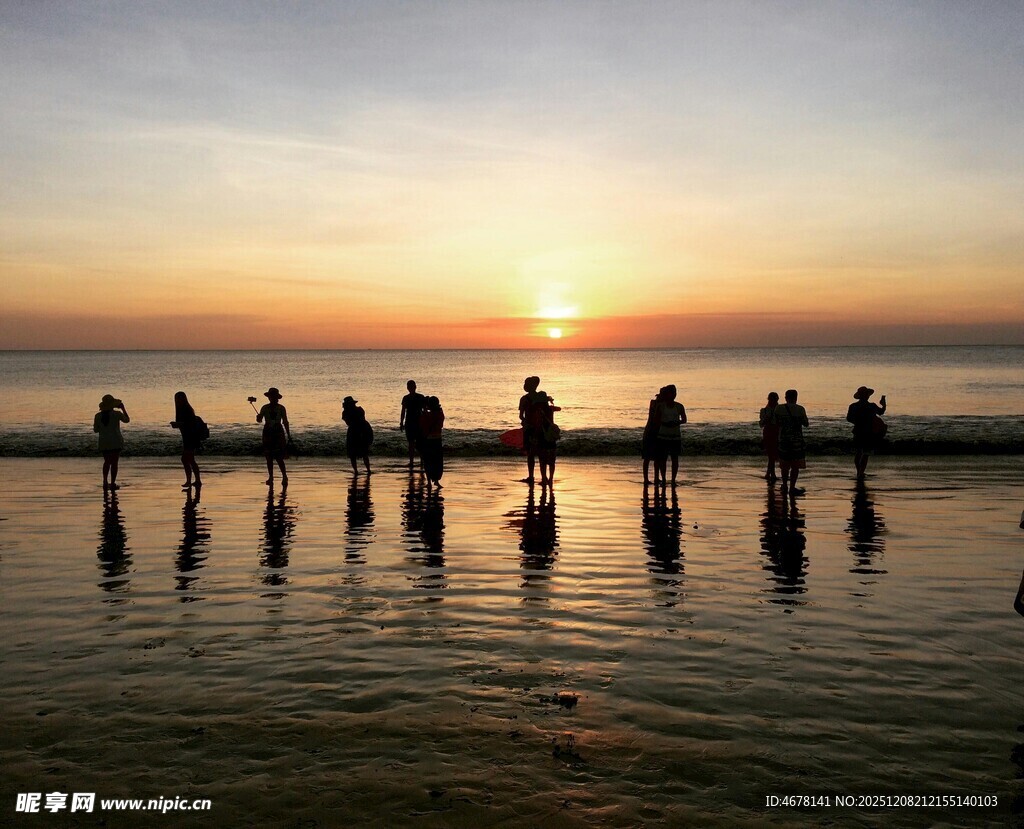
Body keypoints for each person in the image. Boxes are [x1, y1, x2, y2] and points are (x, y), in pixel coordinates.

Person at [771, 389, 809, 495]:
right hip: (797, 441)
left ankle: (785, 485)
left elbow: (774, 422)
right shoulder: (800, 409)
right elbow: (806, 423)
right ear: (796, 398)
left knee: (784, 465)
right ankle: (792, 487)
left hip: (783, 440)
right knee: (795, 466)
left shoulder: (779, 408)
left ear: (785, 397)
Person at [846, 386, 887, 480]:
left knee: (859, 452)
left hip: (858, 431)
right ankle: (861, 472)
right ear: (868, 396)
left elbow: (849, 418)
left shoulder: (853, 406)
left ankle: (859, 472)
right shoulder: (871, 406)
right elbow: (881, 412)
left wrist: (857, 422)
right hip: (869, 432)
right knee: (866, 453)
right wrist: (884, 404)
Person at [93, 394, 129, 490]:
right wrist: (123, 409)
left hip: (104, 441)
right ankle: (112, 482)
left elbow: (96, 430)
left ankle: (105, 481)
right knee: (114, 463)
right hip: (116, 440)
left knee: (107, 462)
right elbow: (127, 420)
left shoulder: (97, 416)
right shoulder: (117, 414)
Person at [256, 387, 290, 487]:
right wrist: (258, 418)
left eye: (273, 397)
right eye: (271, 397)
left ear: (277, 398)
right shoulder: (264, 408)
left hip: (277, 432)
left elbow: (285, 422)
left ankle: (284, 476)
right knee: (269, 457)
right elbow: (259, 420)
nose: (272, 398)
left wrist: (288, 434)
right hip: (267, 432)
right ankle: (271, 477)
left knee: (279, 457)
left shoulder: (281, 408)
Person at [653, 384, 686, 486]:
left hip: (675, 436)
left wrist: (676, 423)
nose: (673, 395)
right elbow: (656, 420)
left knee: (674, 459)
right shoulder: (661, 406)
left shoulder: (679, 406)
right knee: (663, 459)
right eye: (672, 393)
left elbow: (684, 420)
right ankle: (663, 479)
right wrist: (665, 423)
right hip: (663, 435)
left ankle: (673, 480)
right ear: (667, 394)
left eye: (675, 393)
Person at [170, 391, 204, 490]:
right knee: (190, 460)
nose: (177, 401)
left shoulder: (187, 410)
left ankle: (191, 481)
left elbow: (188, 424)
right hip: (187, 437)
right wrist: (177, 425)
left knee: (186, 459)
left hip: (191, 437)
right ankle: (196, 480)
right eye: (176, 399)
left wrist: (178, 424)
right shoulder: (181, 409)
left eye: (179, 399)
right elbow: (183, 424)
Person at [518, 376, 546, 483]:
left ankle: (531, 477)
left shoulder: (524, 399)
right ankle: (544, 478)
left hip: (530, 428)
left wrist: (525, 422)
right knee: (541, 453)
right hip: (540, 428)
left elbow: (521, 416)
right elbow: (546, 411)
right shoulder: (542, 397)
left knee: (531, 454)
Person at [419, 396, 445, 488]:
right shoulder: (440, 414)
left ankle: (429, 482)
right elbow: (440, 425)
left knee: (428, 461)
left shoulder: (426, 415)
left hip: (428, 440)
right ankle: (437, 481)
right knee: (437, 462)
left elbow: (422, 426)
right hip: (437, 440)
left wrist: (424, 411)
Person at [342, 395, 372, 474]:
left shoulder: (346, 412)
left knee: (353, 454)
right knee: (364, 453)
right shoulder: (359, 410)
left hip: (355, 431)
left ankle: (356, 471)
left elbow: (348, 423)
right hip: (363, 429)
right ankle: (368, 470)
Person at [399, 380, 426, 469]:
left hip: (418, 423)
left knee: (419, 443)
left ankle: (419, 461)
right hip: (411, 422)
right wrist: (401, 422)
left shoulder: (420, 397)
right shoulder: (406, 398)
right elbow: (403, 411)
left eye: (411, 386)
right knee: (412, 443)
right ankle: (413, 461)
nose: (411, 388)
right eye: (410, 386)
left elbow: (425, 410)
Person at [642, 388, 663, 485]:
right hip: (651, 431)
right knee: (648, 457)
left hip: (655, 431)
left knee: (657, 456)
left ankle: (655, 478)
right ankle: (646, 478)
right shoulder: (655, 404)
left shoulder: (657, 403)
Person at [759, 392, 781, 483]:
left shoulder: (780, 410)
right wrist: (767, 419)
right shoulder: (764, 410)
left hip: (776, 432)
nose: (774, 401)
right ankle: (771, 474)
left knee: (772, 455)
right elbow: (761, 424)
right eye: (772, 399)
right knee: (771, 455)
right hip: (769, 432)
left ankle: (769, 473)